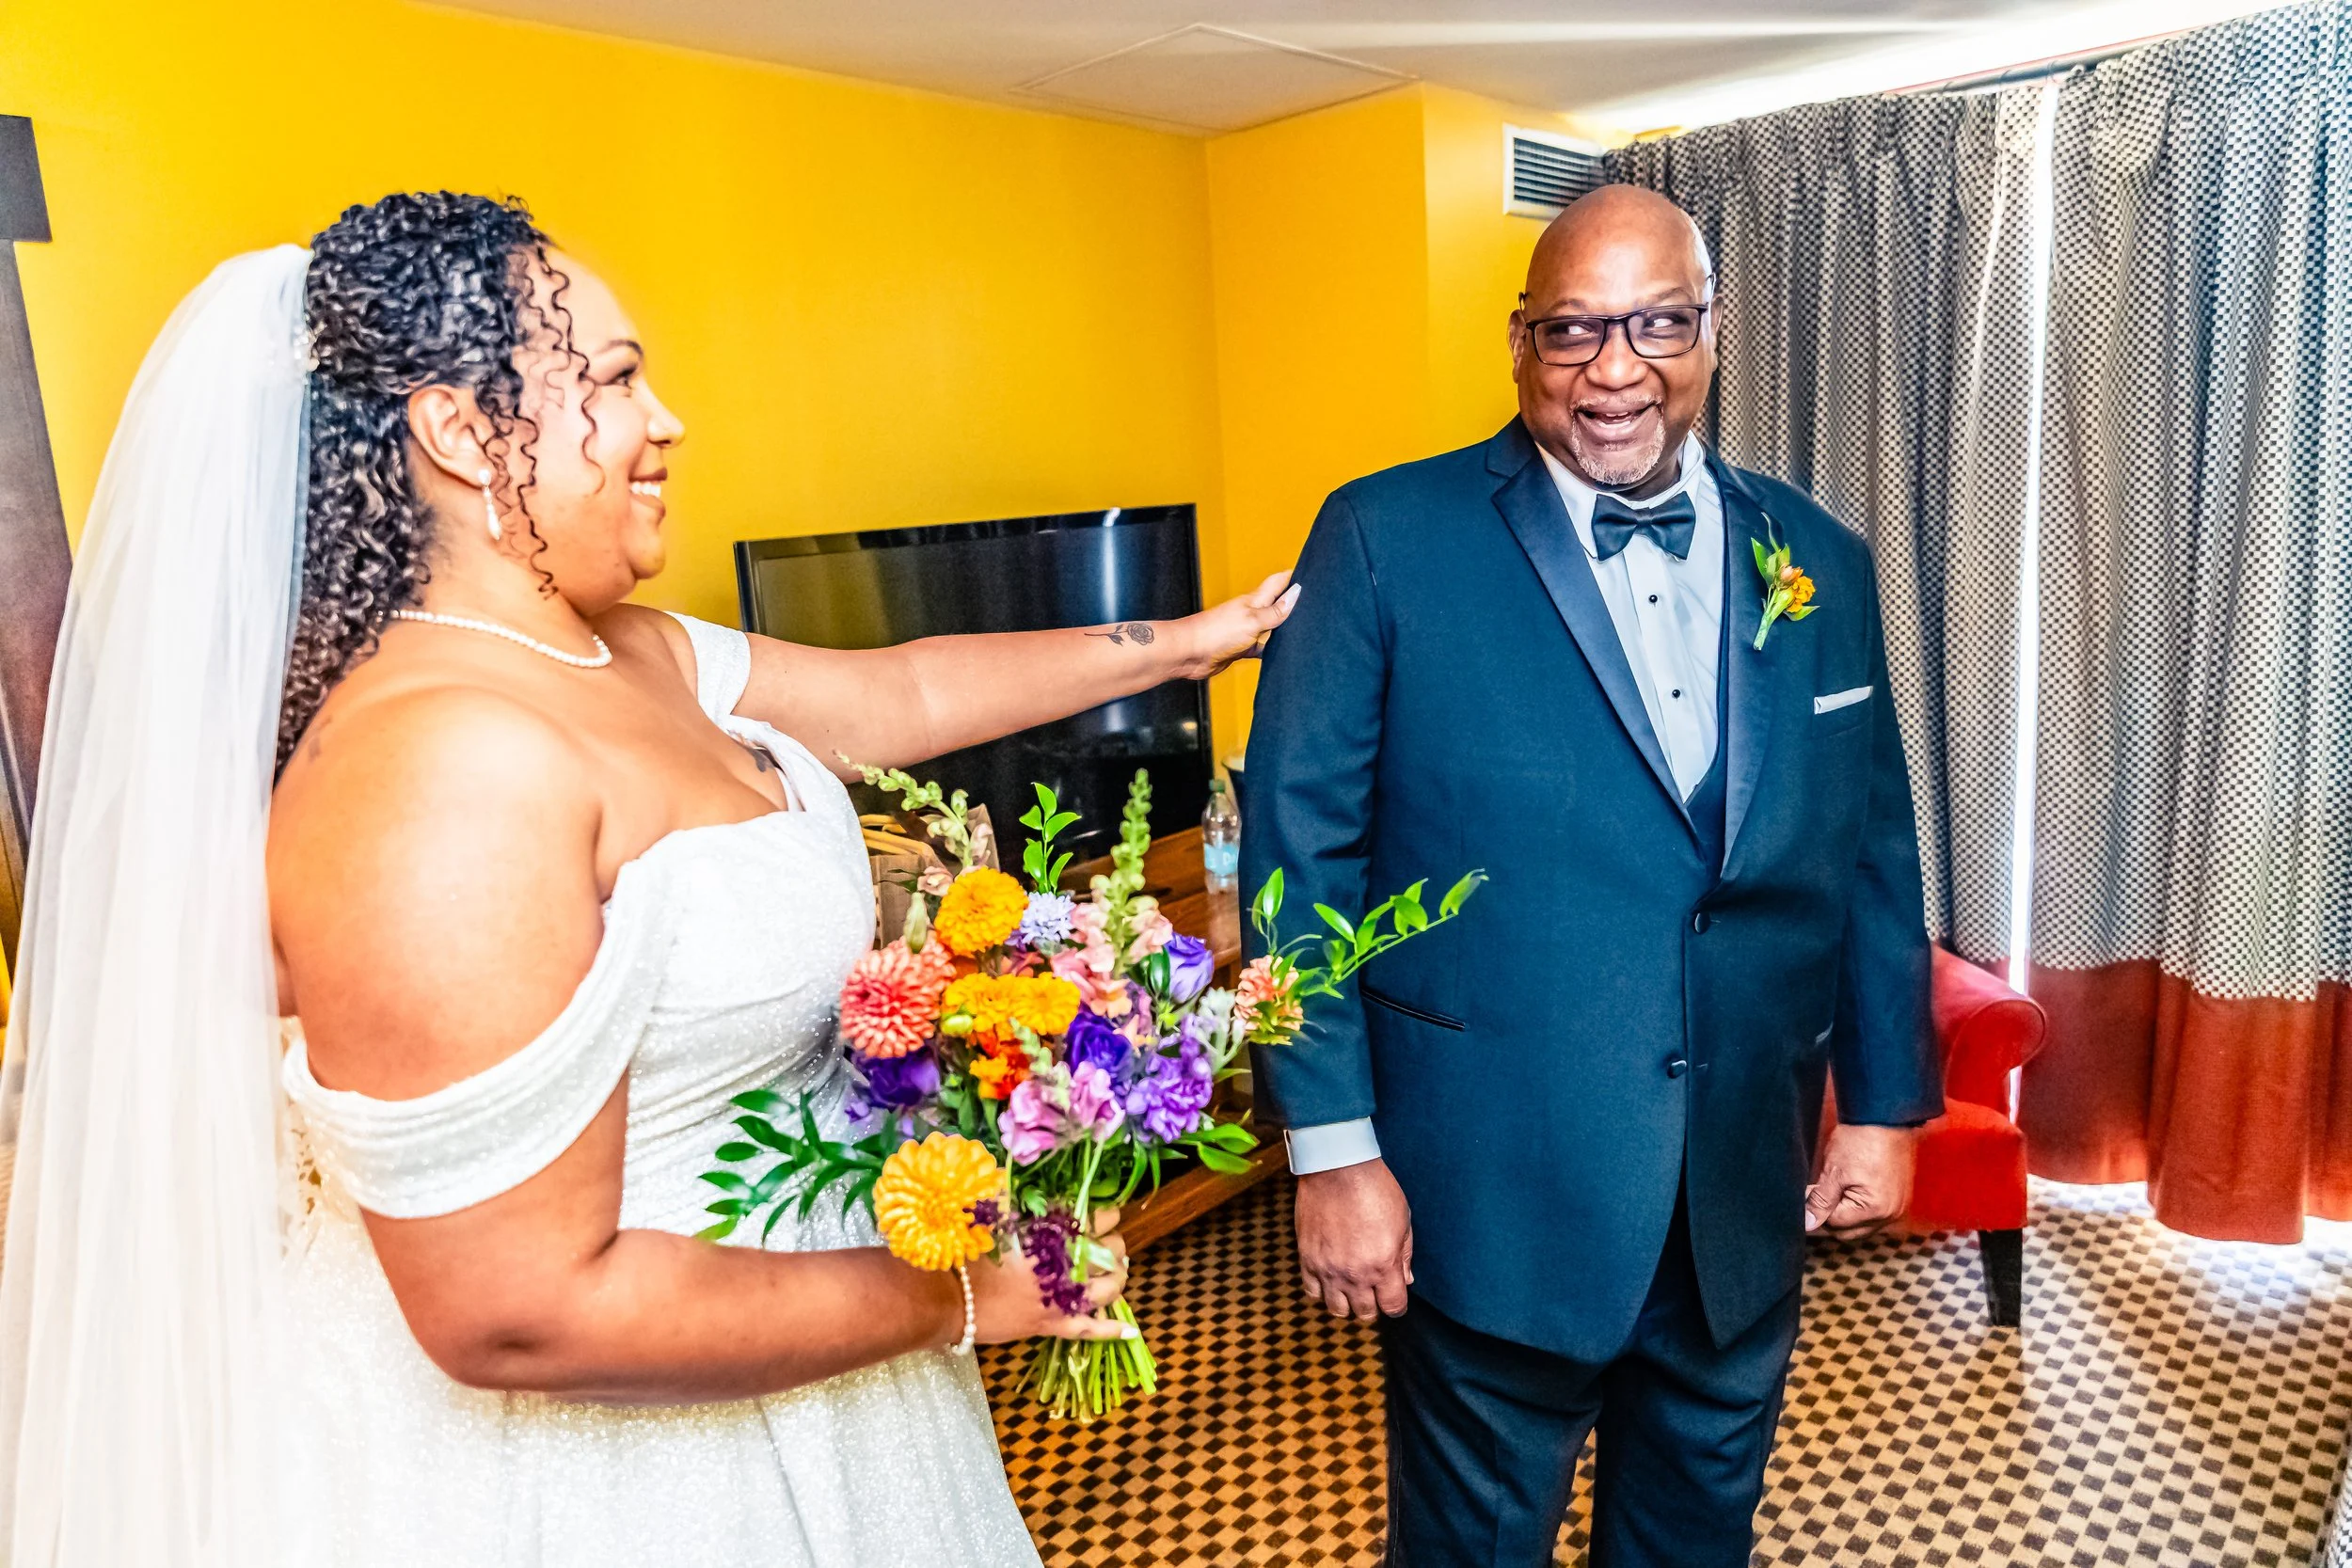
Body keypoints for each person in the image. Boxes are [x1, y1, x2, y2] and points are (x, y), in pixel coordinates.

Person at [0, 191, 1295, 1567]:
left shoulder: (630, 648)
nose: (664, 417)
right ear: (459, 430)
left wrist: (1182, 646)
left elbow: (904, 686)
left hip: (813, 1367)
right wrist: (962, 1298)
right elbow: (515, 1310)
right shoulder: (439, 771)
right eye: (613, 379)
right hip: (592, 1482)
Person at [1241, 183, 1941, 1566]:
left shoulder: (1823, 558)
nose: (1615, 369)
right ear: (1521, 344)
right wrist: (1331, 1148)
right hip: (1489, 1196)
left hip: (1741, 1195)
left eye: (1657, 324)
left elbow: (1870, 849)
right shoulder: (1385, 539)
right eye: (1574, 332)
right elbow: (1295, 862)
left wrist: (1886, 1100)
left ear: (1714, 331)